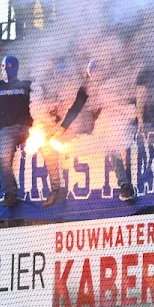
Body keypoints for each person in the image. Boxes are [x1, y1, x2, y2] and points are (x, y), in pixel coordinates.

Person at [0, 54, 33, 208]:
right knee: (3, 158)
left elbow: (41, 93)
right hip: (7, 131)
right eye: (3, 66)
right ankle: (10, 192)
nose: (5, 69)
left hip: (27, 128)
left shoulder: (25, 85)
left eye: (8, 66)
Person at [36, 62, 92, 208]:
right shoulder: (55, 93)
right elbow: (54, 113)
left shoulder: (83, 85)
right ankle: (56, 190)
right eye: (58, 78)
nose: (61, 80)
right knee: (47, 146)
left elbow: (76, 110)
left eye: (63, 77)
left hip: (83, 127)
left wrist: (61, 129)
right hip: (64, 129)